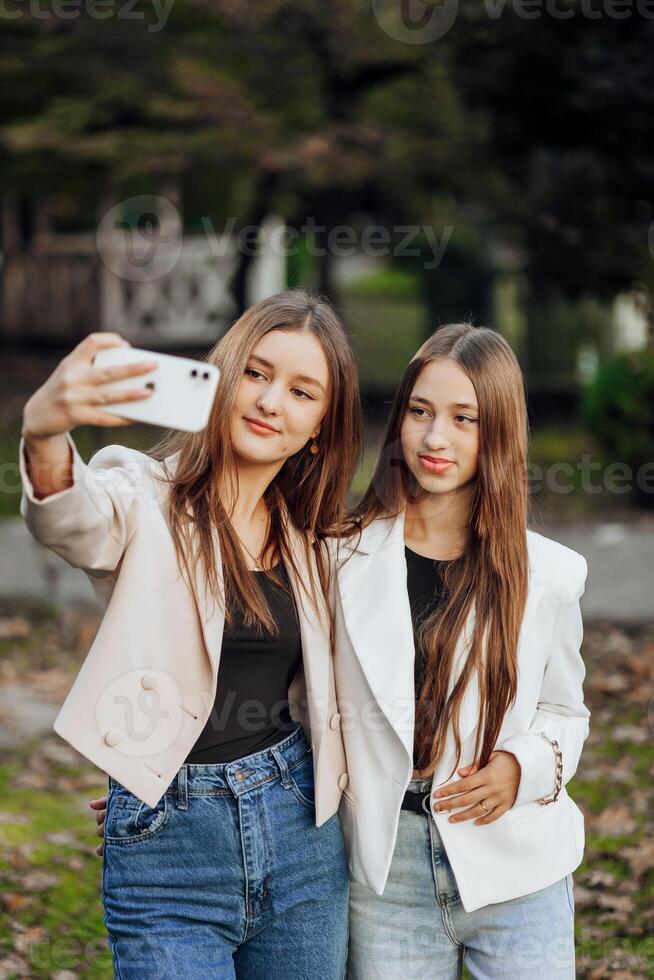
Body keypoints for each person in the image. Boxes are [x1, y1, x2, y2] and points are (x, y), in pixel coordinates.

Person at [19, 289, 362, 979]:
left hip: (301, 834)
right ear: (224, 375)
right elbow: (70, 519)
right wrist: (43, 431)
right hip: (167, 849)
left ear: (321, 427)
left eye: (302, 392)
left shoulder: (319, 541)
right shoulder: (142, 492)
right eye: (257, 373)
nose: (270, 402)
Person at [332, 323, 589, 979]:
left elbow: (565, 710)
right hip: (388, 871)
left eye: (463, 418)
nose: (434, 437)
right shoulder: (340, 557)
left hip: (518, 867)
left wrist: (522, 766)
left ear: (498, 431)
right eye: (420, 411)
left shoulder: (550, 575)